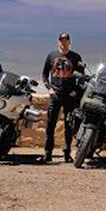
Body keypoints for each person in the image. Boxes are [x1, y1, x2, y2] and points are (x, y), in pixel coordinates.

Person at [39, 32, 85, 164]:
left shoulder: (76, 57)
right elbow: (44, 74)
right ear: (58, 41)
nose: (63, 42)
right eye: (61, 40)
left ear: (69, 42)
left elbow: (82, 77)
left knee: (68, 126)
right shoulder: (51, 56)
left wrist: (76, 91)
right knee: (50, 125)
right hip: (55, 95)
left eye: (65, 40)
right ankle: (48, 153)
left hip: (69, 96)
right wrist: (49, 89)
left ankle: (67, 154)